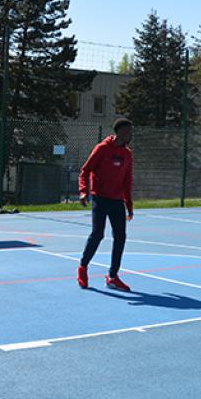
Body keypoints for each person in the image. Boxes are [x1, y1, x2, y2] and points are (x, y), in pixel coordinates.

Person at [77, 118, 134, 291]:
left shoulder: (127, 154)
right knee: (97, 234)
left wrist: (129, 205)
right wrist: (83, 191)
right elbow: (85, 171)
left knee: (121, 237)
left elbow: (127, 181)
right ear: (120, 132)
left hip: (117, 201)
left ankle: (113, 276)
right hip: (100, 198)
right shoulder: (102, 149)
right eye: (128, 132)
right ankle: (83, 267)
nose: (131, 135)